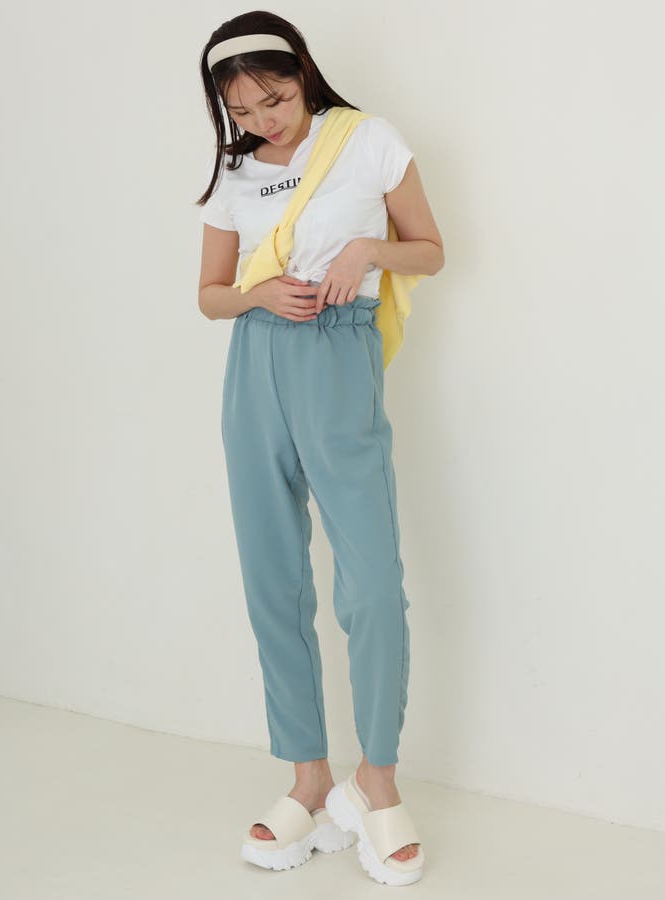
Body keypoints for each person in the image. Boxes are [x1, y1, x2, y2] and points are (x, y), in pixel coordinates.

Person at [196, 11, 444, 886]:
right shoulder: (235, 172)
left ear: (303, 71)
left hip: (340, 354)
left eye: (275, 98)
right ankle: (307, 778)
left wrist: (369, 248)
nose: (264, 120)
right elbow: (209, 295)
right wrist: (257, 293)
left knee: (371, 580)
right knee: (274, 576)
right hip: (255, 363)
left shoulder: (367, 141)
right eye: (243, 111)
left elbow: (431, 250)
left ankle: (375, 781)